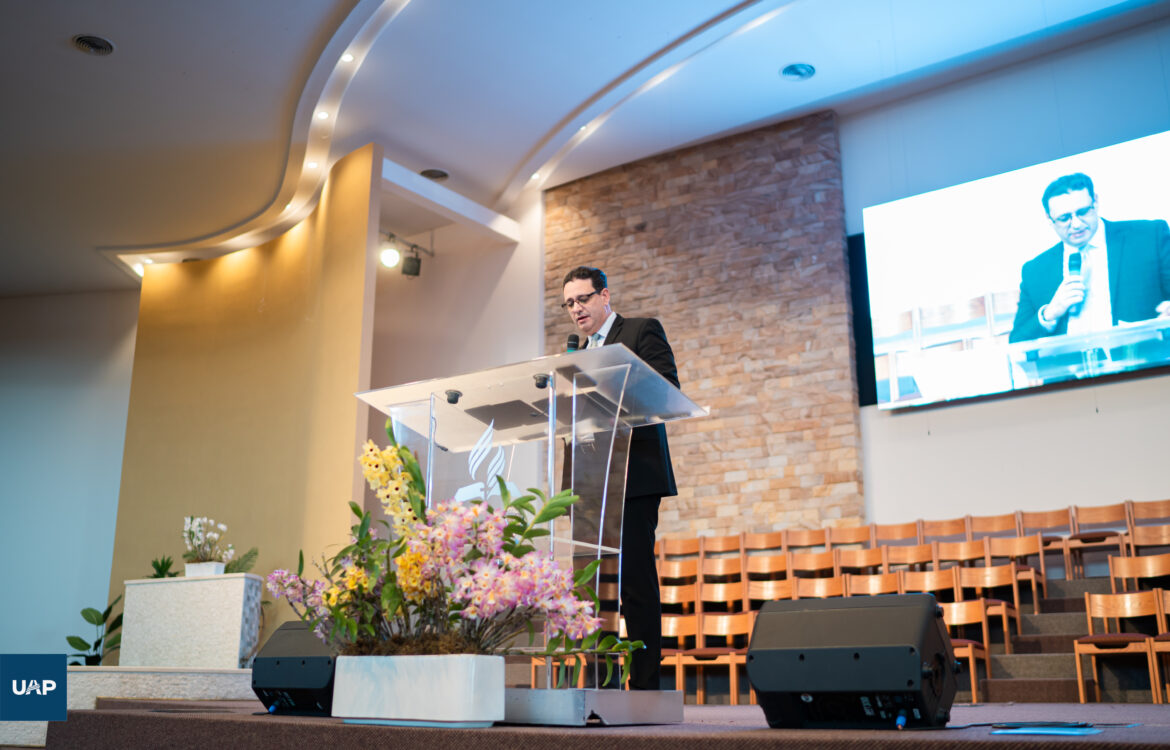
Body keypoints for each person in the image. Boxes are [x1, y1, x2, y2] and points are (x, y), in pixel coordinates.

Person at [561, 265, 678, 690]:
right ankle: (597, 684)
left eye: (583, 298)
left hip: (633, 475)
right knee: (589, 585)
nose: (576, 309)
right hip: (590, 481)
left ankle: (646, 687)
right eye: (569, 303)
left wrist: (603, 388)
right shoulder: (576, 352)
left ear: (605, 295)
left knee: (634, 581)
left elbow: (666, 387)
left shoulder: (641, 331)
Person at [1008, 172, 1170, 343]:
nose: (1076, 224)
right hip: (1069, 360)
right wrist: (1050, 313)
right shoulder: (1034, 271)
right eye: (1064, 218)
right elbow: (1017, 341)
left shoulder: (1149, 237)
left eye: (1083, 212)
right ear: (1049, 218)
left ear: (1096, 202)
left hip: (1143, 356)